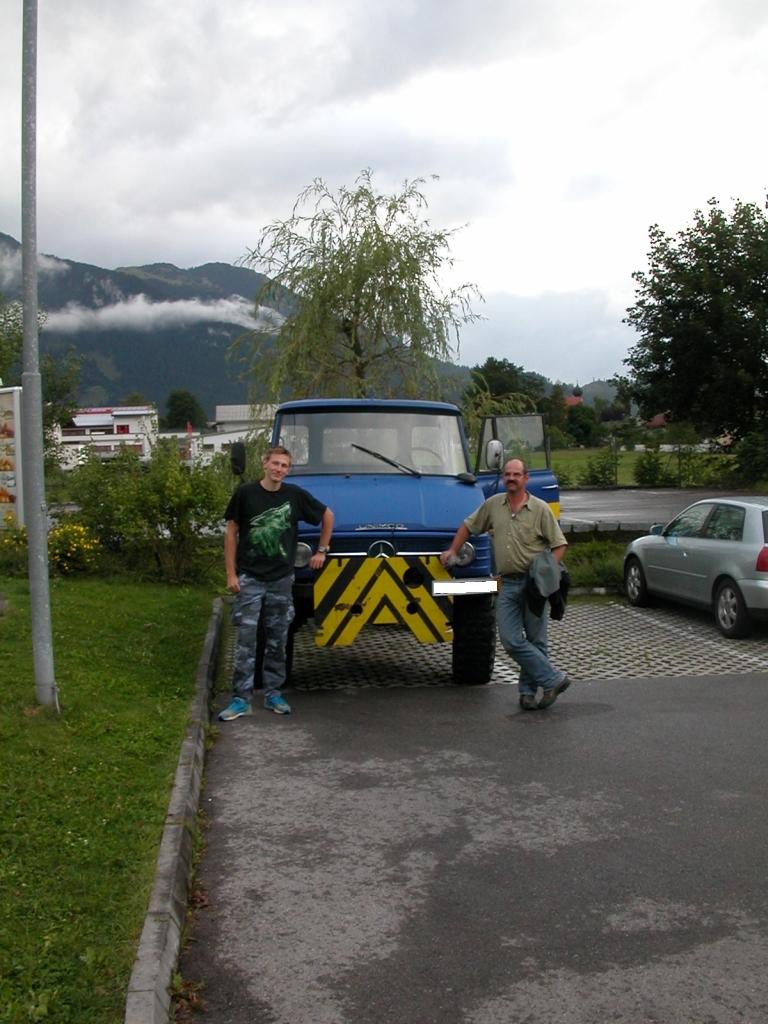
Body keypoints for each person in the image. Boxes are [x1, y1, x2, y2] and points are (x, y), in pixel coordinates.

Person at [440, 458, 570, 710]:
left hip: (534, 584)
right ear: (503, 478)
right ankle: (554, 679)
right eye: (507, 474)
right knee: (510, 640)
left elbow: (559, 544)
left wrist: (546, 575)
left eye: (516, 474)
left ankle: (527, 693)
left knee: (536, 640)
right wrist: (452, 550)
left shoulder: (540, 509)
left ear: (526, 478)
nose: (511, 478)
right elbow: (468, 526)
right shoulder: (493, 506)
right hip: (508, 583)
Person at [219, 445, 334, 719]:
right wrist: (231, 574)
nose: (279, 469)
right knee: (246, 640)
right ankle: (241, 699)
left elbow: (327, 515)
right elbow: (231, 533)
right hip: (250, 578)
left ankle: (273, 694)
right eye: (275, 464)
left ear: (288, 469)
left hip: (282, 580)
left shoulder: (294, 496)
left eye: (284, 466)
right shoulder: (246, 494)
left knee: (278, 639)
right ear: (265, 464)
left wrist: (322, 550)